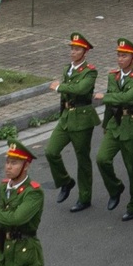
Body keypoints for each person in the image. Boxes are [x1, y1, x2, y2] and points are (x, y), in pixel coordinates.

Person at [95, 39, 133, 219]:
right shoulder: (113, 76)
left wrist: (107, 96)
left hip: (132, 124)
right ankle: (116, 187)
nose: (120, 59)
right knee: (102, 159)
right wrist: (105, 123)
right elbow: (112, 105)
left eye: (124, 56)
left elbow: (130, 98)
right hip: (115, 124)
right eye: (118, 55)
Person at [43, 33, 98, 210]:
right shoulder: (68, 68)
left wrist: (59, 87)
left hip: (82, 118)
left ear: (85, 52)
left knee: (82, 159)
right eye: (72, 49)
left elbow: (81, 90)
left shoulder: (90, 71)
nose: (73, 52)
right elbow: (65, 96)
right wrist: (62, 112)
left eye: (77, 49)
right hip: (67, 116)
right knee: (51, 151)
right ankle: (65, 181)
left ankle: (85, 197)